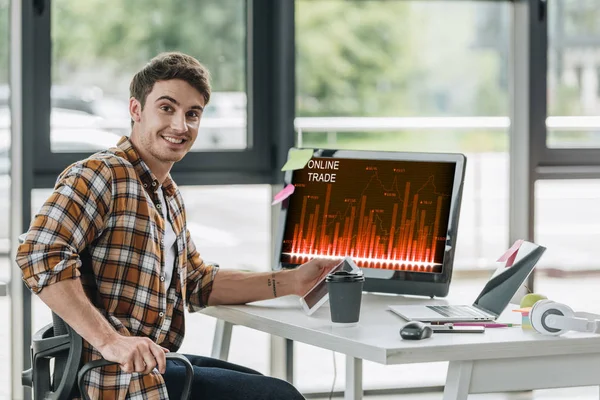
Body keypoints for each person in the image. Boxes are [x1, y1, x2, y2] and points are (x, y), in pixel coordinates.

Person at [16, 52, 339, 400]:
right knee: (278, 398)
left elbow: (196, 282)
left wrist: (293, 280)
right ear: (136, 110)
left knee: (273, 388)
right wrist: (111, 341)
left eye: (192, 114)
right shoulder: (102, 174)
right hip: (114, 378)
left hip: (155, 362)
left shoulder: (165, 194)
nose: (180, 126)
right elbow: (39, 254)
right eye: (167, 108)